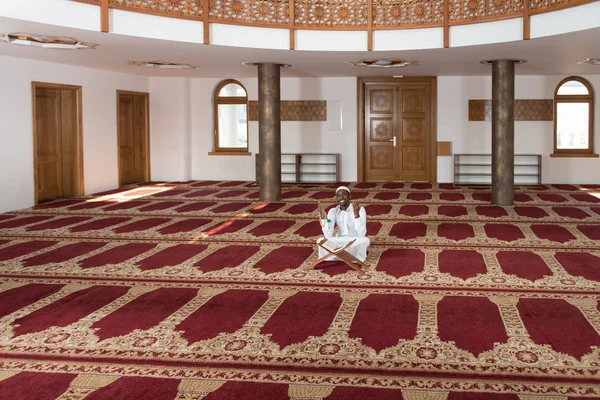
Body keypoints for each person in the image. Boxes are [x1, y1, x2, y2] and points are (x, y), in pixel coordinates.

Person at [317, 186, 370, 262]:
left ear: (350, 196)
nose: (341, 197)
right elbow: (328, 235)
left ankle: (336, 255)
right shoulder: (333, 211)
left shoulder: (360, 209)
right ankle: (348, 255)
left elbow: (362, 233)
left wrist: (356, 215)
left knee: (365, 240)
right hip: (340, 240)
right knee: (320, 240)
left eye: (344, 194)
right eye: (338, 195)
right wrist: (323, 219)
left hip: (355, 240)